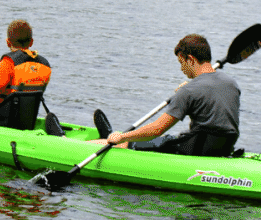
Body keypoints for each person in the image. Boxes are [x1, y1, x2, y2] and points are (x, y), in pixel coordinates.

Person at [100, 33, 240, 157]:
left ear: (190, 60)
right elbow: (210, 100)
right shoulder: (232, 84)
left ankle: (107, 139)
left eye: (181, 62)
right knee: (174, 138)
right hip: (223, 149)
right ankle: (109, 135)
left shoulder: (189, 91)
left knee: (127, 143)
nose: (181, 69)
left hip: (194, 150)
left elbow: (156, 130)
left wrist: (123, 137)